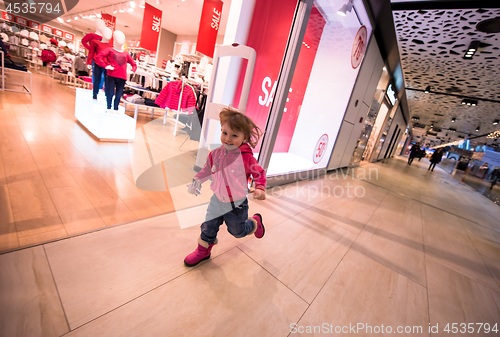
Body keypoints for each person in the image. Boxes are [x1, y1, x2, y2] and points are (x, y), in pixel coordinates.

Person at [184, 108, 267, 267]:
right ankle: (203, 251)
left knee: (237, 232)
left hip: (236, 205)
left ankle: (255, 222)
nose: (228, 139)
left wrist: (260, 187)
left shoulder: (246, 157)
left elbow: (259, 172)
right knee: (208, 226)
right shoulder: (215, 153)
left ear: (245, 138)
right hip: (217, 200)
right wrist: (196, 181)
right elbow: (206, 170)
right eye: (225, 133)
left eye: (234, 135)